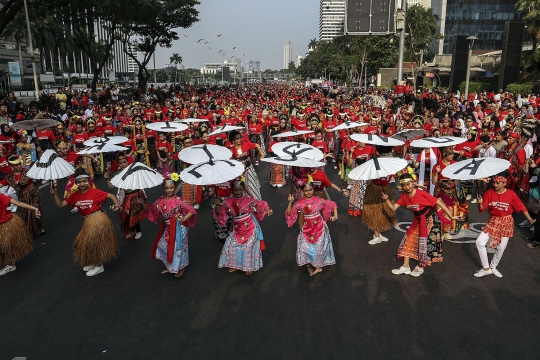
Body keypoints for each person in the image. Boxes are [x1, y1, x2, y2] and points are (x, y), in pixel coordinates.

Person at [382, 173, 461, 277]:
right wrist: (387, 199)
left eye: (408, 184)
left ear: (412, 183)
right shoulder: (404, 196)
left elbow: (438, 202)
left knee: (424, 243)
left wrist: (451, 216)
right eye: (404, 185)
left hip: (430, 219)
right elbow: (393, 208)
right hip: (418, 220)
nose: (407, 187)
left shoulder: (421, 194)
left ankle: (420, 266)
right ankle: (405, 267)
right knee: (408, 239)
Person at [50, 168, 120, 277]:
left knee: (93, 243)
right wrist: (55, 194)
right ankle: (93, 262)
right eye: (79, 182)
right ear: (76, 183)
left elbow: (111, 195)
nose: (82, 184)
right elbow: (60, 205)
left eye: (84, 181)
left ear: (88, 181)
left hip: (98, 219)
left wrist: (116, 204)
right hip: (88, 220)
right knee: (81, 243)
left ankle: (98, 266)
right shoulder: (75, 195)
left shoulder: (95, 192)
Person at [473, 172, 535, 278]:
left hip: (507, 222)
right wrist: (480, 203)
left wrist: (529, 218)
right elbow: (481, 210)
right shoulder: (489, 193)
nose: (495, 185)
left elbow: (521, 206)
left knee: (501, 248)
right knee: (479, 242)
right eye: (494, 182)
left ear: (504, 182)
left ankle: (493, 267)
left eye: (498, 183)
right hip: (493, 221)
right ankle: (486, 268)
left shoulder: (511, 194)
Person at [139, 174, 197, 277]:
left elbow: (191, 210)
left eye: (171, 187)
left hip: (180, 227)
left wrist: (183, 218)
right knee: (163, 245)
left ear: (175, 188)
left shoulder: (179, 201)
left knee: (178, 248)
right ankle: (171, 266)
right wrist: (143, 202)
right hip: (169, 227)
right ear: (163, 189)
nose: (169, 190)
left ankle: (181, 268)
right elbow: (151, 208)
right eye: (166, 188)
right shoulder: (160, 201)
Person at [214, 179, 273, 275]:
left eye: (240, 190)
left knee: (248, 247)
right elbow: (220, 213)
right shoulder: (227, 202)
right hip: (237, 228)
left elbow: (260, 203)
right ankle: (236, 265)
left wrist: (268, 210)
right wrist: (217, 204)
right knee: (231, 245)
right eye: (236, 190)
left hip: (250, 226)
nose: (238, 192)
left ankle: (248, 266)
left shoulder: (248, 199)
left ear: (243, 190)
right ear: (232, 190)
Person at [285, 179, 338, 276]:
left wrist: (335, 215)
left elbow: (332, 204)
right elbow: (290, 214)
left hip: (319, 228)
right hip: (307, 229)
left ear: (313, 189)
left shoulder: (318, 200)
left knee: (319, 248)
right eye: (306, 190)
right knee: (305, 248)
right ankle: (309, 262)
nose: (308, 192)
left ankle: (318, 267)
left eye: (310, 189)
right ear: (302, 191)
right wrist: (290, 202)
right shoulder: (299, 203)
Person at [105, 152, 147, 240]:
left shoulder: (133, 170)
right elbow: (111, 187)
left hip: (136, 193)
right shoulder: (117, 173)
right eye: (120, 163)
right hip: (125, 196)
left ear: (127, 162)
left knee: (133, 213)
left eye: (124, 162)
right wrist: (107, 178)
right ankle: (132, 230)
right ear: (118, 164)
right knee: (126, 215)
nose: (123, 164)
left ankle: (138, 230)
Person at [0, 155, 43, 238]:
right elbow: (1, 184)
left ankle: (38, 230)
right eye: (16, 165)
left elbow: (41, 173)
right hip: (22, 196)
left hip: (34, 194)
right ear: (12, 166)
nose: (19, 166)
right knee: (22, 214)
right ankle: (27, 232)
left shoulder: (27, 172)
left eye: (20, 164)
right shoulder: (9, 177)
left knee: (35, 214)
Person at [432, 146, 469, 240]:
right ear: (444, 154)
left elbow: (460, 177)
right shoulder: (437, 165)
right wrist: (436, 173)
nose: (452, 155)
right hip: (440, 192)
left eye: (453, 153)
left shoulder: (454, 164)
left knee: (450, 211)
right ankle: (439, 231)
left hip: (452, 192)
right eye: (450, 154)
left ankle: (446, 231)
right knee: (439, 211)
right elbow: (434, 182)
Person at [0, 192, 40, 276]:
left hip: (6, 225)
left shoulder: (1, 197)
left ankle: (10, 265)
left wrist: (34, 208)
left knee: (5, 246)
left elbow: (18, 203)